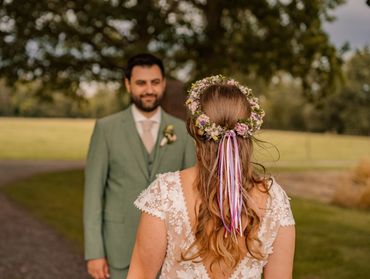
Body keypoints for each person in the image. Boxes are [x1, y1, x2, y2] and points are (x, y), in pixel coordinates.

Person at [128, 75, 296, 279]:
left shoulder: (165, 193)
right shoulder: (274, 198)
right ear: (248, 130)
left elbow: (139, 275)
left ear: (195, 130)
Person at [83, 53, 196, 279]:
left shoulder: (182, 131)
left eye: (155, 82)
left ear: (163, 83)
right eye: (141, 83)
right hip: (118, 248)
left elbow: (192, 192)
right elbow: (93, 194)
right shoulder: (106, 129)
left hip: (170, 251)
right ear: (128, 84)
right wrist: (94, 252)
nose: (149, 90)